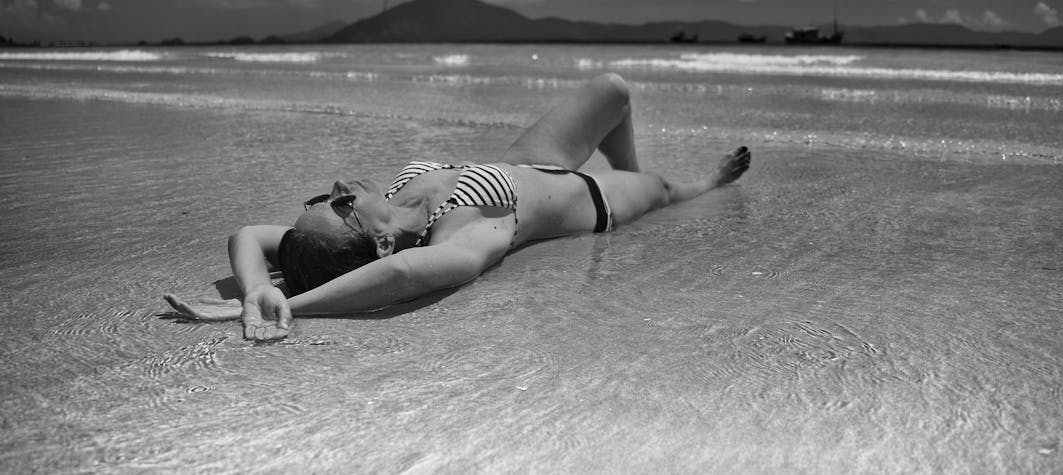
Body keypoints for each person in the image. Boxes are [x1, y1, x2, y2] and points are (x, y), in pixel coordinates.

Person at [165, 73, 750, 340]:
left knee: (614, 90)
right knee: (662, 190)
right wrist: (287, 306)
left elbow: (247, 235)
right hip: (586, 202)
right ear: (380, 239)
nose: (340, 186)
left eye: (324, 197)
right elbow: (397, 277)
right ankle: (707, 185)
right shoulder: (463, 235)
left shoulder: (393, 208)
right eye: (341, 204)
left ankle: (631, 164)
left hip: (523, 161)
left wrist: (252, 290)